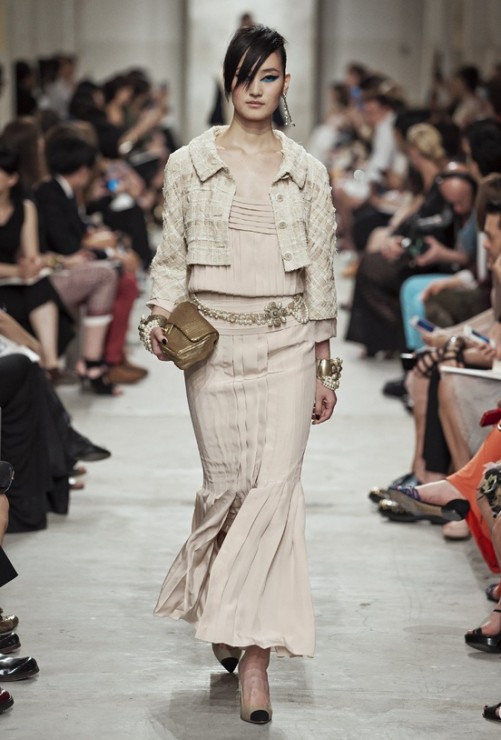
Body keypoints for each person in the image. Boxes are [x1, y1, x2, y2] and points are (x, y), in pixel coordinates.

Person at [141, 25, 338, 725]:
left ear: (286, 84)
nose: (257, 89)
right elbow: (171, 254)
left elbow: (321, 271)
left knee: (273, 493)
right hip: (214, 348)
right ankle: (223, 606)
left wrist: (325, 366)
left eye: (270, 76)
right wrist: (157, 319)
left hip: (288, 344)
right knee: (227, 490)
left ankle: (256, 660)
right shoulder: (189, 164)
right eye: (246, 76)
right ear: (229, 80)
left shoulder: (306, 171)